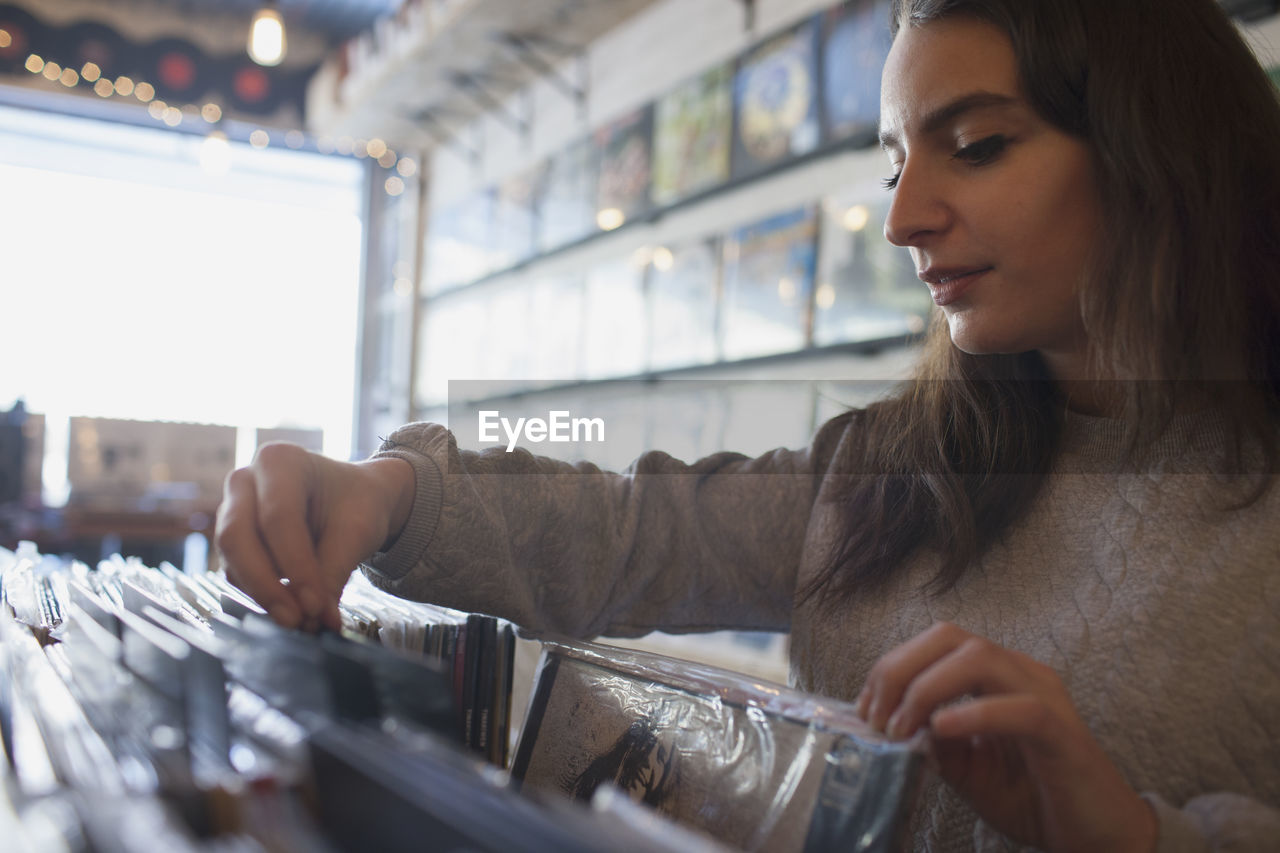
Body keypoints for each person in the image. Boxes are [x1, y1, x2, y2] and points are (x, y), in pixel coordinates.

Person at [215, 0, 1280, 849]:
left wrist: (1135, 836)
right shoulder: (884, 465)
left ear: (1156, 146)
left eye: (976, 143)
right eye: (893, 162)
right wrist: (387, 495)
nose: (905, 218)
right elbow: (636, 529)